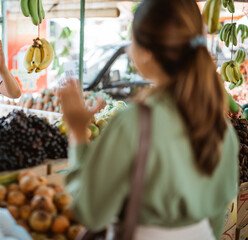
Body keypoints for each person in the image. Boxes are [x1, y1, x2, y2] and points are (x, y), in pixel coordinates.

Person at [57, 0, 239, 239]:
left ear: (145, 53)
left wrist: (79, 133)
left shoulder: (133, 123)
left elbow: (90, 211)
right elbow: (218, 217)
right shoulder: (220, 126)